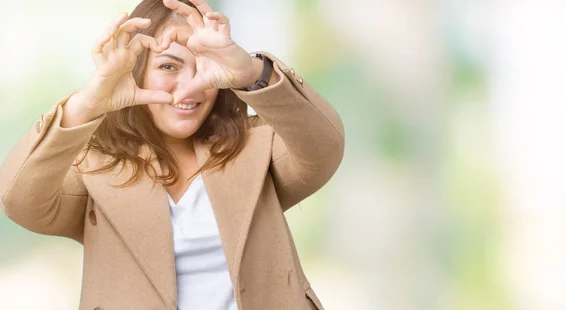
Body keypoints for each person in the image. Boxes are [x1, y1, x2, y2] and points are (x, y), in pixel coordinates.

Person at [0, 0, 344, 309]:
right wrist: (90, 100)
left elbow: (324, 147)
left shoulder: (258, 145)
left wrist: (250, 71)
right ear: (136, 71)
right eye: (168, 67)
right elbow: (19, 201)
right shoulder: (93, 165)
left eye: (204, 66)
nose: (190, 86)